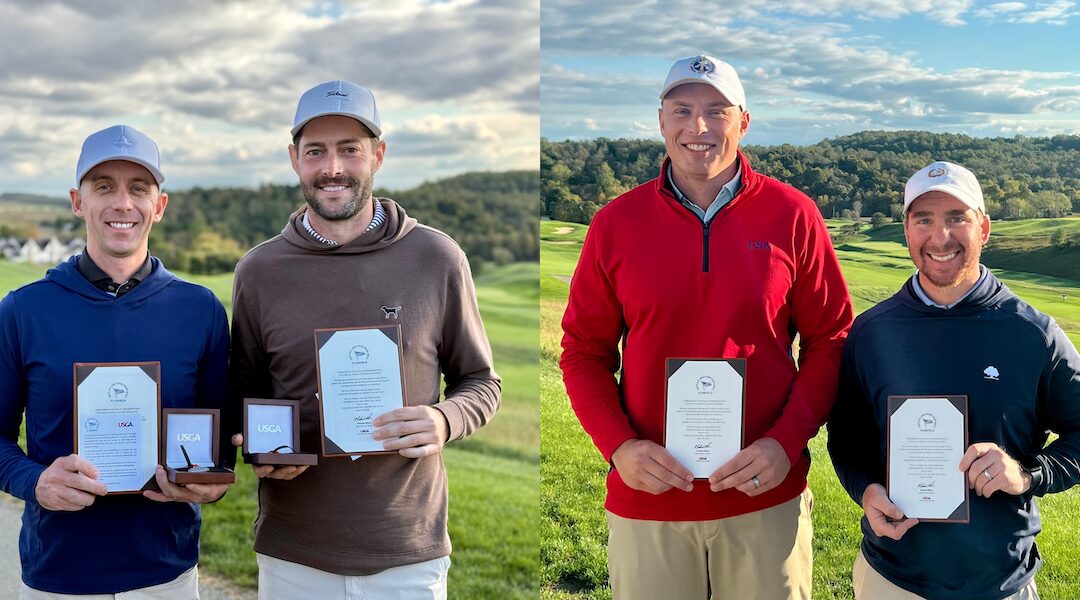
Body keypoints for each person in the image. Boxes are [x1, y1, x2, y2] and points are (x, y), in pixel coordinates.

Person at [560, 55, 853, 599]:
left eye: (716, 111)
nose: (698, 127)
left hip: (765, 496)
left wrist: (785, 443)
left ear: (743, 122)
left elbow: (830, 340)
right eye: (682, 110)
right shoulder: (615, 224)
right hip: (649, 500)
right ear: (661, 121)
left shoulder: (793, 215)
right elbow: (582, 352)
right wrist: (619, 447)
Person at [229, 80, 500, 600]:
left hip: (407, 552)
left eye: (349, 149)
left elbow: (480, 381)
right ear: (294, 160)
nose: (333, 167)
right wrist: (257, 447)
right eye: (316, 152)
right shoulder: (259, 271)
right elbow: (242, 393)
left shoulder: (436, 258)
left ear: (378, 154)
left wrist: (445, 419)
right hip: (293, 553)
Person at [828, 160, 1080, 599]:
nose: (940, 238)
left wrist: (1026, 474)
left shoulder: (1032, 334)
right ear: (907, 229)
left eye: (956, 218)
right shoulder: (871, 332)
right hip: (891, 578)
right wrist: (865, 490)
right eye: (924, 219)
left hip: (998, 582)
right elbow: (846, 434)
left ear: (983, 227)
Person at [0, 125, 232, 598]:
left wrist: (215, 483)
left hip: (167, 573)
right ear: (77, 201)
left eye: (139, 188)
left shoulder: (200, 310)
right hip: (58, 575)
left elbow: (219, 439)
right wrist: (35, 481)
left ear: (159, 206)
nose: (122, 203)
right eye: (104, 186)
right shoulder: (23, 311)